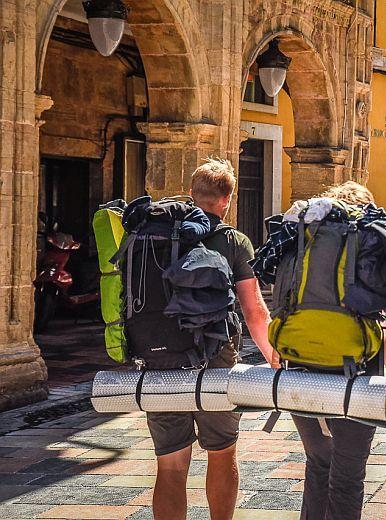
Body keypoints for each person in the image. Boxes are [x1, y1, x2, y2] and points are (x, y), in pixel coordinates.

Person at [147, 158, 279, 520]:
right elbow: (254, 311)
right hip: (216, 358)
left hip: (160, 358)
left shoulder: (155, 234)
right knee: (222, 451)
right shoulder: (234, 241)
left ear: (191, 193)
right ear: (228, 200)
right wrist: (273, 357)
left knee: (170, 463)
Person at [290, 181, 386, 520]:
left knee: (318, 464)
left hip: (301, 373)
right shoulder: (373, 248)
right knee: (347, 477)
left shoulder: (306, 243)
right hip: (358, 377)